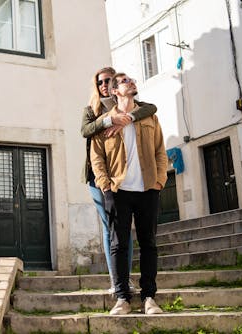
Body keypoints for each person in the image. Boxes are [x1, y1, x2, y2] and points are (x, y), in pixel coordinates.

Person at [90, 73, 168, 315]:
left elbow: (160, 151)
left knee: (149, 244)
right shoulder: (104, 122)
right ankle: (122, 298)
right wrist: (104, 185)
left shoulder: (149, 117)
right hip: (118, 190)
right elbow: (97, 157)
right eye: (124, 81)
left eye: (131, 79)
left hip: (147, 188)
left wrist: (159, 180)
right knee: (118, 244)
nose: (131, 81)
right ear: (114, 91)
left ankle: (149, 298)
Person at [81, 67, 157, 293]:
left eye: (108, 80)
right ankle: (117, 280)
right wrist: (109, 120)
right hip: (98, 176)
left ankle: (126, 279)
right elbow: (85, 130)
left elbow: (152, 108)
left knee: (124, 231)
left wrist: (127, 118)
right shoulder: (92, 109)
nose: (104, 84)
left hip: (128, 178)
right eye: (100, 82)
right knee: (111, 228)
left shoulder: (136, 106)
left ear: (114, 85)